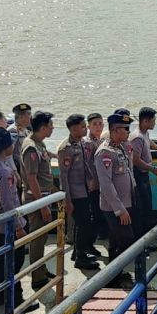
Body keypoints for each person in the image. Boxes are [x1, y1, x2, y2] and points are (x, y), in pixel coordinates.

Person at [0, 128, 39, 313]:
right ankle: (14, 298)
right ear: (7, 146)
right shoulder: (4, 171)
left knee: (1, 260)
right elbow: (9, 202)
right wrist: (18, 227)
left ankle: (1, 294)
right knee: (14, 261)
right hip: (8, 224)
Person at [95, 113, 137, 285]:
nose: (128, 132)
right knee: (127, 240)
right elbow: (106, 185)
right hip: (115, 207)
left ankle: (115, 276)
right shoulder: (104, 153)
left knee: (115, 240)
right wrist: (119, 210)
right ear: (114, 130)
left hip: (127, 201)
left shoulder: (120, 147)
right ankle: (113, 275)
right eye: (125, 129)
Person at [57, 114, 99, 271]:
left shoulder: (81, 143)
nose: (85, 128)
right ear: (73, 129)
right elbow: (64, 176)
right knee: (84, 224)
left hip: (84, 189)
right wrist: (67, 200)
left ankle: (77, 251)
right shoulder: (66, 149)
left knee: (82, 224)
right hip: (75, 193)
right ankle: (81, 257)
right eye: (82, 126)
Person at [20, 111, 55, 290]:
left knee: (42, 237)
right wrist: (42, 205)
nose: (53, 128)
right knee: (37, 238)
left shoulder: (38, 143)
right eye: (50, 125)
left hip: (44, 196)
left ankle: (41, 268)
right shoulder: (31, 148)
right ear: (42, 128)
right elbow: (31, 178)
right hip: (37, 198)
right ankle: (37, 277)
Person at [129, 107, 157, 246]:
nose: (155, 123)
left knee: (148, 206)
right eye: (153, 120)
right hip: (139, 176)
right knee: (142, 209)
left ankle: (148, 236)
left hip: (145, 176)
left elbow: (149, 142)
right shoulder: (137, 137)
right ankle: (142, 242)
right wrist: (152, 168)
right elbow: (136, 160)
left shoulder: (145, 133)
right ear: (145, 121)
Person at [84, 112, 106, 255]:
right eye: (94, 124)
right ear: (88, 126)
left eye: (100, 124)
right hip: (92, 186)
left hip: (100, 184)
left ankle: (89, 244)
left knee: (98, 216)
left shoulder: (99, 141)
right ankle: (86, 246)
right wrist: (90, 180)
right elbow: (85, 163)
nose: (98, 127)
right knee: (93, 216)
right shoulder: (88, 143)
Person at [7, 103, 32, 176]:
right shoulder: (13, 131)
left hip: (25, 167)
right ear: (21, 117)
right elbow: (8, 155)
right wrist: (14, 172)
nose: (30, 117)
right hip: (17, 168)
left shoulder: (27, 131)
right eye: (29, 114)